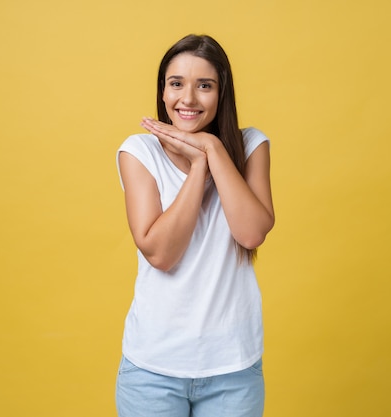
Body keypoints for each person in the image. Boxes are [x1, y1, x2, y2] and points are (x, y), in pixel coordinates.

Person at [115, 34, 275, 417]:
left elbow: (251, 233)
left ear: (222, 94)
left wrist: (214, 149)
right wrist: (198, 167)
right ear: (163, 91)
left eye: (205, 85)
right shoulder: (139, 152)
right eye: (176, 84)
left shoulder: (251, 145)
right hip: (152, 369)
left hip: (233, 368)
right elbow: (161, 253)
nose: (188, 98)